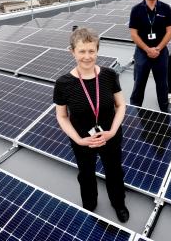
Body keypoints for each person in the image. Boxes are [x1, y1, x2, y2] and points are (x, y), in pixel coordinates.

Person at [53, 27, 129, 223]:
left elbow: (120, 105)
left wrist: (112, 132)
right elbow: (62, 116)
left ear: (97, 50)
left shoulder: (109, 75)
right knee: (86, 174)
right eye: (82, 51)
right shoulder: (63, 83)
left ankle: (118, 203)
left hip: (110, 136)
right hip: (82, 140)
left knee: (114, 171)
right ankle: (89, 203)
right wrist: (79, 139)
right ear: (72, 52)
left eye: (91, 51)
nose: (87, 56)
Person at [129, 0, 171, 113]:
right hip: (142, 53)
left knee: (162, 85)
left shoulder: (165, 8)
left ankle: (164, 109)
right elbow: (134, 34)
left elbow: (170, 32)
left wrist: (158, 48)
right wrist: (147, 49)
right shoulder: (136, 10)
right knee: (139, 84)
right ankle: (135, 110)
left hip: (161, 53)